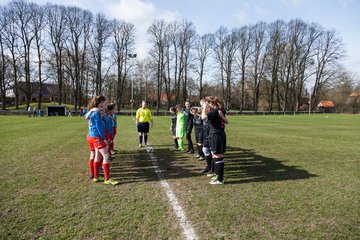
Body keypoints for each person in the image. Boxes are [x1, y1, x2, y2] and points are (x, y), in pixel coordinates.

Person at [86, 95, 118, 185]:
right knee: (106, 156)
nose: (104, 107)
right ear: (98, 104)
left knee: (97, 155)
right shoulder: (97, 113)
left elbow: (86, 116)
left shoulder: (94, 111)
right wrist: (104, 139)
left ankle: (96, 177)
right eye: (102, 105)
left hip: (92, 136)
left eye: (104, 105)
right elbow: (99, 127)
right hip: (97, 137)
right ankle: (107, 179)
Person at [201, 97, 228, 185]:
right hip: (219, 134)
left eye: (207, 103)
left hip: (216, 135)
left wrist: (204, 107)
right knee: (217, 155)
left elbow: (203, 117)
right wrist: (222, 117)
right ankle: (218, 176)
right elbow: (227, 121)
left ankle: (220, 179)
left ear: (210, 103)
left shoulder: (214, 111)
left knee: (217, 156)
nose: (207, 104)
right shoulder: (218, 111)